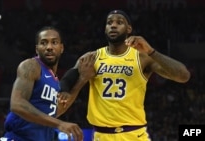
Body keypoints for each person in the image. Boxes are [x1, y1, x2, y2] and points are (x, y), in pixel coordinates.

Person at [59, 10, 191, 141]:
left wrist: (151, 51)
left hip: (134, 135)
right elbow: (64, 87)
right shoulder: (91, 58)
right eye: (109, 23)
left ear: (129, 29)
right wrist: (81, 80)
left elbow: (183, 76)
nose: (113, 25)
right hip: (102, 135)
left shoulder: (142, 58)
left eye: (119, 22)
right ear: (105, 29)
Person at [0, 26, 96, 141]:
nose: (49, 47)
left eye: (54, 42)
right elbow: (17, 104)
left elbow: (57, 110)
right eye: (44, 43)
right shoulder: (31, 66)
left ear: (61, 48)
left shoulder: (54, 81)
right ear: (37, 49)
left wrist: (82, 79)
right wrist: (60, 124)